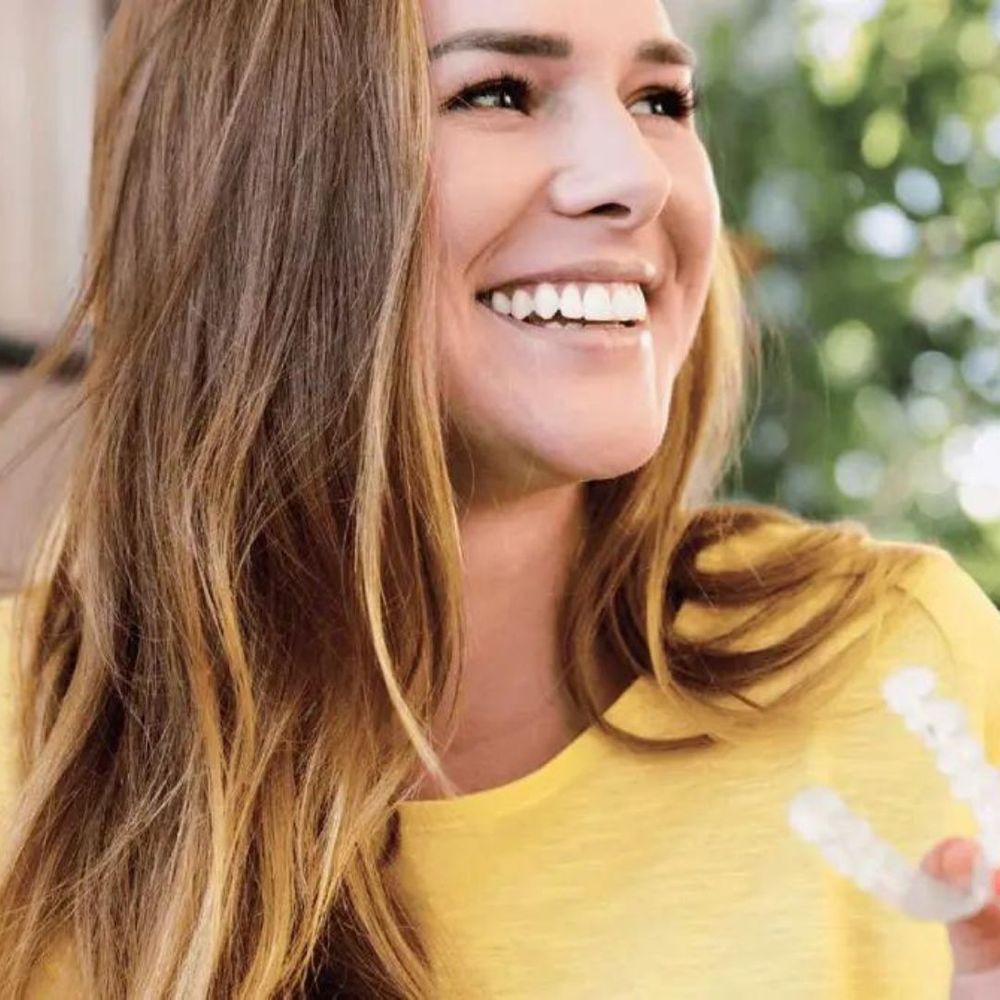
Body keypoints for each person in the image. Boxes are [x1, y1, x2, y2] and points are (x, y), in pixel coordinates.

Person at [0, 1, 999, 997]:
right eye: (498, 93)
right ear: (252, 182)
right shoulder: (19, 757)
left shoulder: (897, 669)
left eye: (659, 100)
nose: (637, 177)